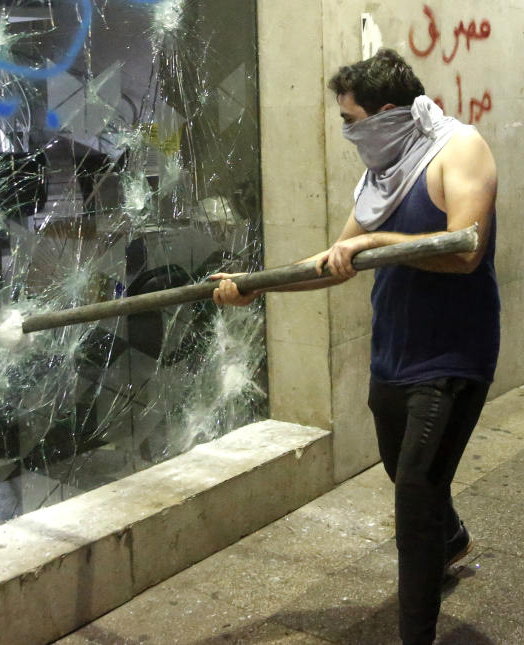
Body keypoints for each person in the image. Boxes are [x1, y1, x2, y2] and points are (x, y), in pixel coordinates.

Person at [210, 48, 499, 645]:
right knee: (406, 474)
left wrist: (377, 244)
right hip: (393, 351)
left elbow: (465, 250)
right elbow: (332, 263)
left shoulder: (459, 148)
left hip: (452, 355)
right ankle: (453, 541)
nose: (345, 133)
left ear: (384, 113)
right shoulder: (383, 172)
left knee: (414, 499)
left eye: (350, 120)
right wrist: (253, 287)